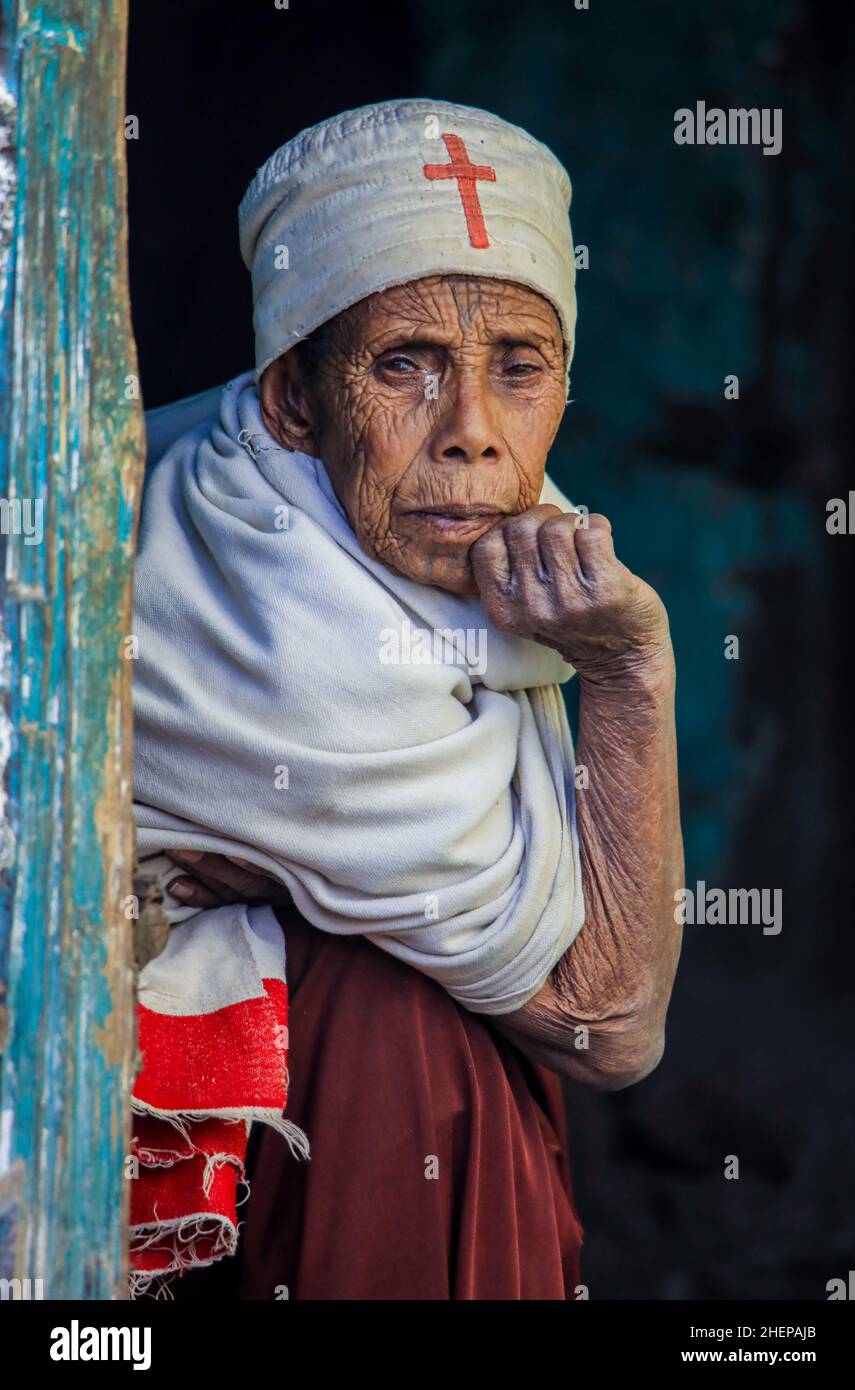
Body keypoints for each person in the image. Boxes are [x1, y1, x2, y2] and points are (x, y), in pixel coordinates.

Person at [131, 98, 683, 1300]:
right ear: (292, 400)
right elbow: (608, 1024)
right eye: (404, 365)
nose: (473, 437)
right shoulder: (282, 621)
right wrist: (634, 674)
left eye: (518, 368)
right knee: (415, 1026)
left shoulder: (385, 518)